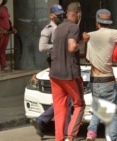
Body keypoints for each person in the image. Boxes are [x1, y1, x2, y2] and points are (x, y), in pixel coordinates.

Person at [84, 9, 117, 141]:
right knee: (112, 113)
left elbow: (87, 59)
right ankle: (111, 138)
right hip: (107, 79)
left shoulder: (90, 36)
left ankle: (91, 132)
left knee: (99, 106)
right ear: (109, 22)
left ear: (97, 22)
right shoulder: (114, 34)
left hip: (94, 79)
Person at [30, 4, 72, 138]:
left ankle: (43, 120)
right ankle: (65, 131)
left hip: (64, 63)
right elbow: (42, 47)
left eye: (61, 14)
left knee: (65, 99)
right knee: (67, 99)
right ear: (51, 15)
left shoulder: (63, 27)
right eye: (57, 14)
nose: (60, 16)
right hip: (56, 64)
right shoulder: (48, 29)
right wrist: (57, 47)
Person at [49, 2, 86, 141]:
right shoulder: (73, 27)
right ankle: (70, 136)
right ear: (78, 14)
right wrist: (83, 41)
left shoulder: (58, 28)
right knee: (79, 105)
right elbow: (71, 47)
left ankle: (59, 138)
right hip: (69, 74)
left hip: (55, 74)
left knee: (59, 108)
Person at [0, 0, 17, 71]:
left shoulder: (5, 8)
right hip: (0, 33)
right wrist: (0, 30)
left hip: (7, 32)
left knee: (3, 50)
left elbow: (8, 20)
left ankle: (3, 66)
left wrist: (12, 28)